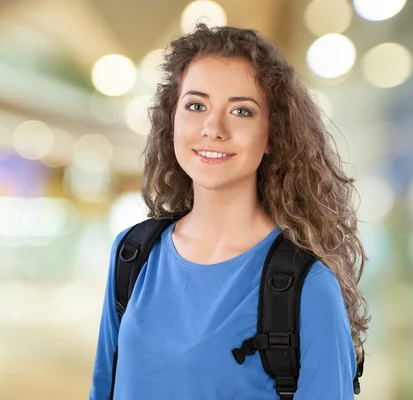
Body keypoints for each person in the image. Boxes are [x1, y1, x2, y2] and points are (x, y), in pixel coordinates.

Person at [89, 24, 370, 399]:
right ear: (171, 118)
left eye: (241, 110)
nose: (212, 128)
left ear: (273, 134)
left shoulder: (308, 285)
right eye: (196, 105)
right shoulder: (133, 255)